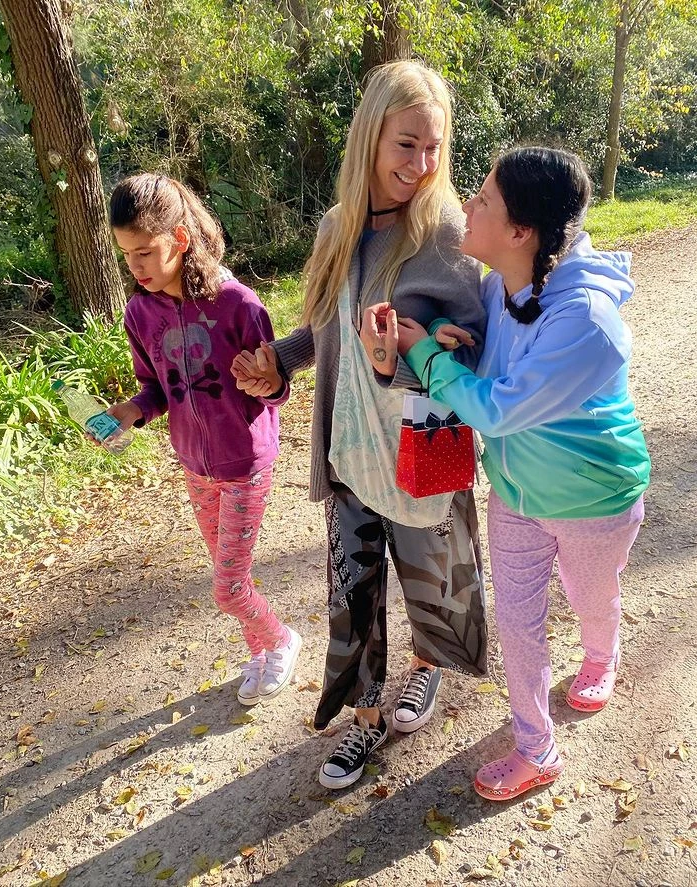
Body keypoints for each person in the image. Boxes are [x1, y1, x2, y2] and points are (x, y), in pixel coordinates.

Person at [231, 61, 488, 790]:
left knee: (431, 580)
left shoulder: (443, 231)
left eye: (434, 147)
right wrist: (276, 362)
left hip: (420, 450)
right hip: (349, 452)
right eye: (407, 144)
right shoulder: (337, 226)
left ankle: (427, 665)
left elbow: (466, 342)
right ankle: (365, 717)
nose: (423, 163)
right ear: (371, 134)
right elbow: (322, 324)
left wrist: (405, 352)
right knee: (355, 588)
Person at [388, 146, 650, 801]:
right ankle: (537, 748)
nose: (467, 207)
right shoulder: (498, 285)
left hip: (595, 499)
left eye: (481, 199)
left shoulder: (588, 322)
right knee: (518, 623)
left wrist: (420, 350)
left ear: (518, 232)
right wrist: (446, 330)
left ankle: (601, 653)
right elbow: (482, 347)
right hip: (516, 495)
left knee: (592, 598)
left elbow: (497, 408)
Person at [103, 173, 301, 707]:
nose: (136, 267)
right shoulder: (139, 313)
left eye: (145, 252)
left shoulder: (238, 304)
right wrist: (130, 412)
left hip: (245, 465)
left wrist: (268, 381)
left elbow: (278, 388)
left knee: (228, 586)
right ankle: (260, 651)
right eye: (127, 256)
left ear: (181, 239)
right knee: (228, 574)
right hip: (194, 465)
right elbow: (155, 389)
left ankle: (281, 640)